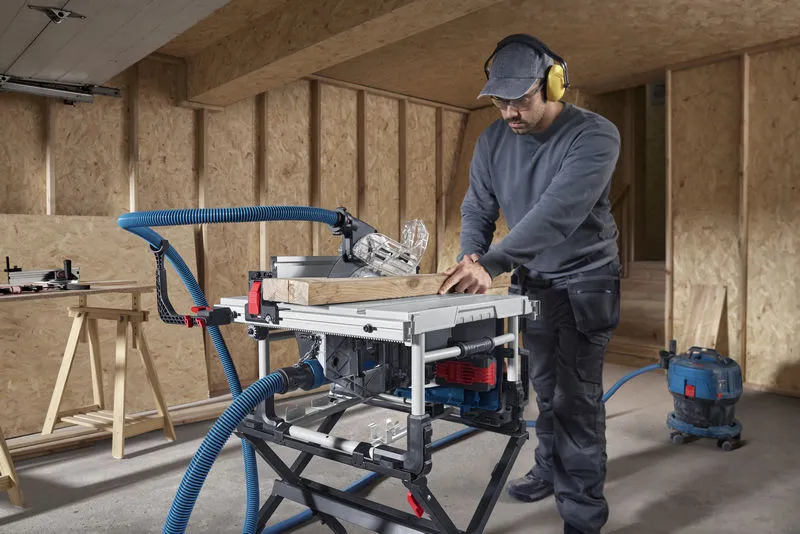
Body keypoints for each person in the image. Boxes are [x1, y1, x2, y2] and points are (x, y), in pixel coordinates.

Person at [438, 34, 622, 534]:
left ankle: (582, 515)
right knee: (543, 386)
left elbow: (558, 213)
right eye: (500, 102)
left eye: (520, 99)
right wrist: (471, 256)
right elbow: (478, 207)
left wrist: (493, 263)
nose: (510, 113)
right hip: (534, 282)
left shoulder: (594, 135)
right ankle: (548, 468)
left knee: (576, 398)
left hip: (586, 280)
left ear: (554, 85)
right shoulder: (493, 140)